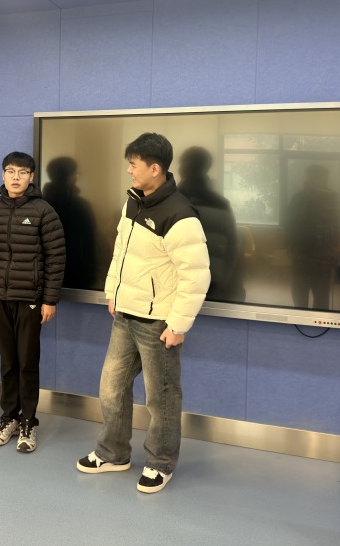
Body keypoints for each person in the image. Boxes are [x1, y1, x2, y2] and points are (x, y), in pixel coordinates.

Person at [77, 133, 210, 493]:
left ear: (155, 168)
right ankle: (113, 453)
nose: (129, 170)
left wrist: (178, 324)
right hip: (126, 314)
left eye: (134, 164)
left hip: (159, 322)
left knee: (161, 398)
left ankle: (160, 462)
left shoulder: (180, 214)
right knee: (111, 388)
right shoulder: (133, 201)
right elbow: (121, 251)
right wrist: (113, 292)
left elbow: (196, 276)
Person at [0, 151, 65, 453]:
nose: (16, 177)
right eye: (10, 171)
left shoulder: (43, 211)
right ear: (3, 175)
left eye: (22, 172)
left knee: (27, 361)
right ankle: (9, 418)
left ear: (31, 177)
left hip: (31, 298)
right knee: (8, 360)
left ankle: (28, 421)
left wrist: (49, 300)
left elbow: (56, 258)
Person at [177, 146, 245, 302]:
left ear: (186, 168)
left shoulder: (173, 201)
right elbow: (232, 247)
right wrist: (224, 282)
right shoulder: (221, 203)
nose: (179, 169)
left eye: (182, 164)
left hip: (179, 282)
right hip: (213, 281)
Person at [284, 164, 340, 310]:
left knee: (321, 298)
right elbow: (289, 224)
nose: (319, 180)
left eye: (322, 177)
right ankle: (301, 318)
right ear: (308, 177)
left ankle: (318, 320)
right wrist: (290, 246)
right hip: (301, 255)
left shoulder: (332, 198)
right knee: (300, 296)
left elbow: (336, 226)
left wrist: (332, 250)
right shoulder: (298, 198)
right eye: (314, 177)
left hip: (322, 256)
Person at [42, 156, 101, 290]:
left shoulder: (40, 205)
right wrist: (91, 276)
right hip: (76, 276)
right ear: (70, 177)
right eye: (76, 173)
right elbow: (89, 244)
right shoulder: (81, 206)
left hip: (46, 276)